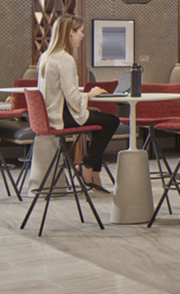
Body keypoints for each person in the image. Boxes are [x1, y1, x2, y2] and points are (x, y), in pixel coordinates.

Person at [37, 15, 120, 192]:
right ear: (70, 32)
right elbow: (73, 97)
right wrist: (90, 94)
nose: (83, 36)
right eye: (81, 32)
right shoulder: (65, 59)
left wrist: (85, 104)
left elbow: (63, 95)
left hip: (50, 116)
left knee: (100, 120)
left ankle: (93, 174)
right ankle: (88, 167)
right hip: (62, 117)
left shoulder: (46, 56)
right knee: (112, 121)